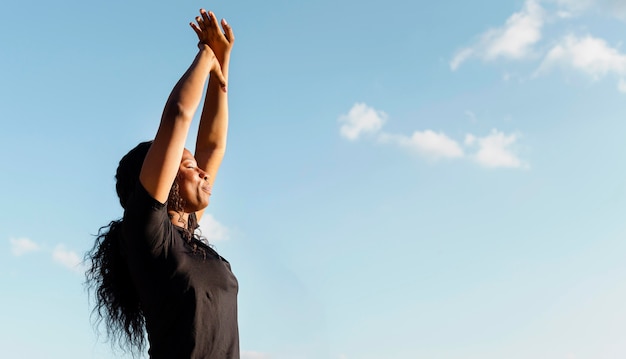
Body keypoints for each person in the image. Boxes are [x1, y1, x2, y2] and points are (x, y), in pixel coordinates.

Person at [85, 8, 239, 359]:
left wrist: (221, 71)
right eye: (187, 165)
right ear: (163, 175)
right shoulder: (150, 235)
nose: (202, 171)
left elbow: (213, 146)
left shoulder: (186, 235)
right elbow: (178, 115)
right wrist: (206, 54)